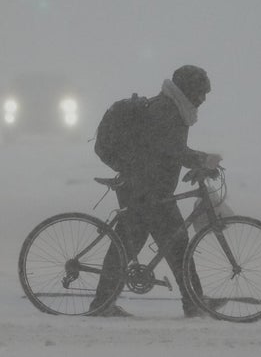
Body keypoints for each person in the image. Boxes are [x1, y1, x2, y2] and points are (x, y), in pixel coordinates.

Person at [89, 65, 223, 318]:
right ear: (187, 90)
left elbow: (167, 151)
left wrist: (197, 163)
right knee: (174, 246)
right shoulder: (167, 111)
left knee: (132, 248)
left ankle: (102, 303)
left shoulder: (173, 108)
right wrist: (203, 160)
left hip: (147, 188)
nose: (203, 99)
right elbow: (171, 148)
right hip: (147, 191)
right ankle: (194, 303)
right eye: (200, 92)